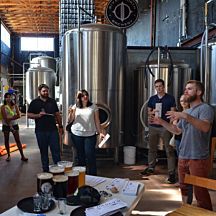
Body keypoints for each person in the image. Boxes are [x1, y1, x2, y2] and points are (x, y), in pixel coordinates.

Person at [153, 80, 214, 210]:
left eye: (190, 89)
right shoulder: (188, 111)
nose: (186, 91)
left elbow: (205, 127)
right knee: (184, 188)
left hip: (198, 157)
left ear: (199, 92)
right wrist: (161, 122)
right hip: (183, 156)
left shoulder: (205, 108)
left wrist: (185, 116)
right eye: (185, 88)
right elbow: (177, 130)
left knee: (200, 192)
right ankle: (185, 210)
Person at [140, 79, 177, 184]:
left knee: (169, 150)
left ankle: (171, 173)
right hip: (153, 126)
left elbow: (173, 112)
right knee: (152, 148)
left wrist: (170, 126)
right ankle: (151, 167)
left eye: (160, 86)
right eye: (156, 86)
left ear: (164, 87)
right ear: (154, 88)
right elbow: (149, 113)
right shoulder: (152, 99)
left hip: (165, 126)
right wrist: (153, 112)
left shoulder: (170, 98)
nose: (158, 88)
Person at [67, 89, 105, 175]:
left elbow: (97, 121)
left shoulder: (93, 107)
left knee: (90, 155)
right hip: (77, 134)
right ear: (79, 98)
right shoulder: (75, 107)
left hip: (90, 135)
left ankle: (93, 176)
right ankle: (82, 176)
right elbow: (70, 120)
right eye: (83, 95)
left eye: (86, 95)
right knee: (80, 156)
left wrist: (100, 132)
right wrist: (70, 113)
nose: (85, 97)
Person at [27, 84, 63, 172]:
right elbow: (28, 115)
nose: (46, 93)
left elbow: (57, 114)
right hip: (40, 131)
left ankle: (58, 171)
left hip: (53, 131)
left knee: (56, 152)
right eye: (44, 91)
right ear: (39, 92)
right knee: (44, 152)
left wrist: (60, 126)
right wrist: (38, 115)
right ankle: (46, 171)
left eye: (47, 91)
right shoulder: (34, 102)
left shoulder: (52, 101)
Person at [1, 92, 28, 162]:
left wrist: (10, 118)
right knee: (6, 140)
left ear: (12, 98)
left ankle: (22, 156)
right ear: (5, 98)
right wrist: (12, 121)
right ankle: (8, 155)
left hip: (15, 125)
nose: (8, 98)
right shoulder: (3, 107)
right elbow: (5, 118)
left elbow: (19, 115)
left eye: (10, 97)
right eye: (7, 97)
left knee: (18, 140)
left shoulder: (15, 106)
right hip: (6, 125)